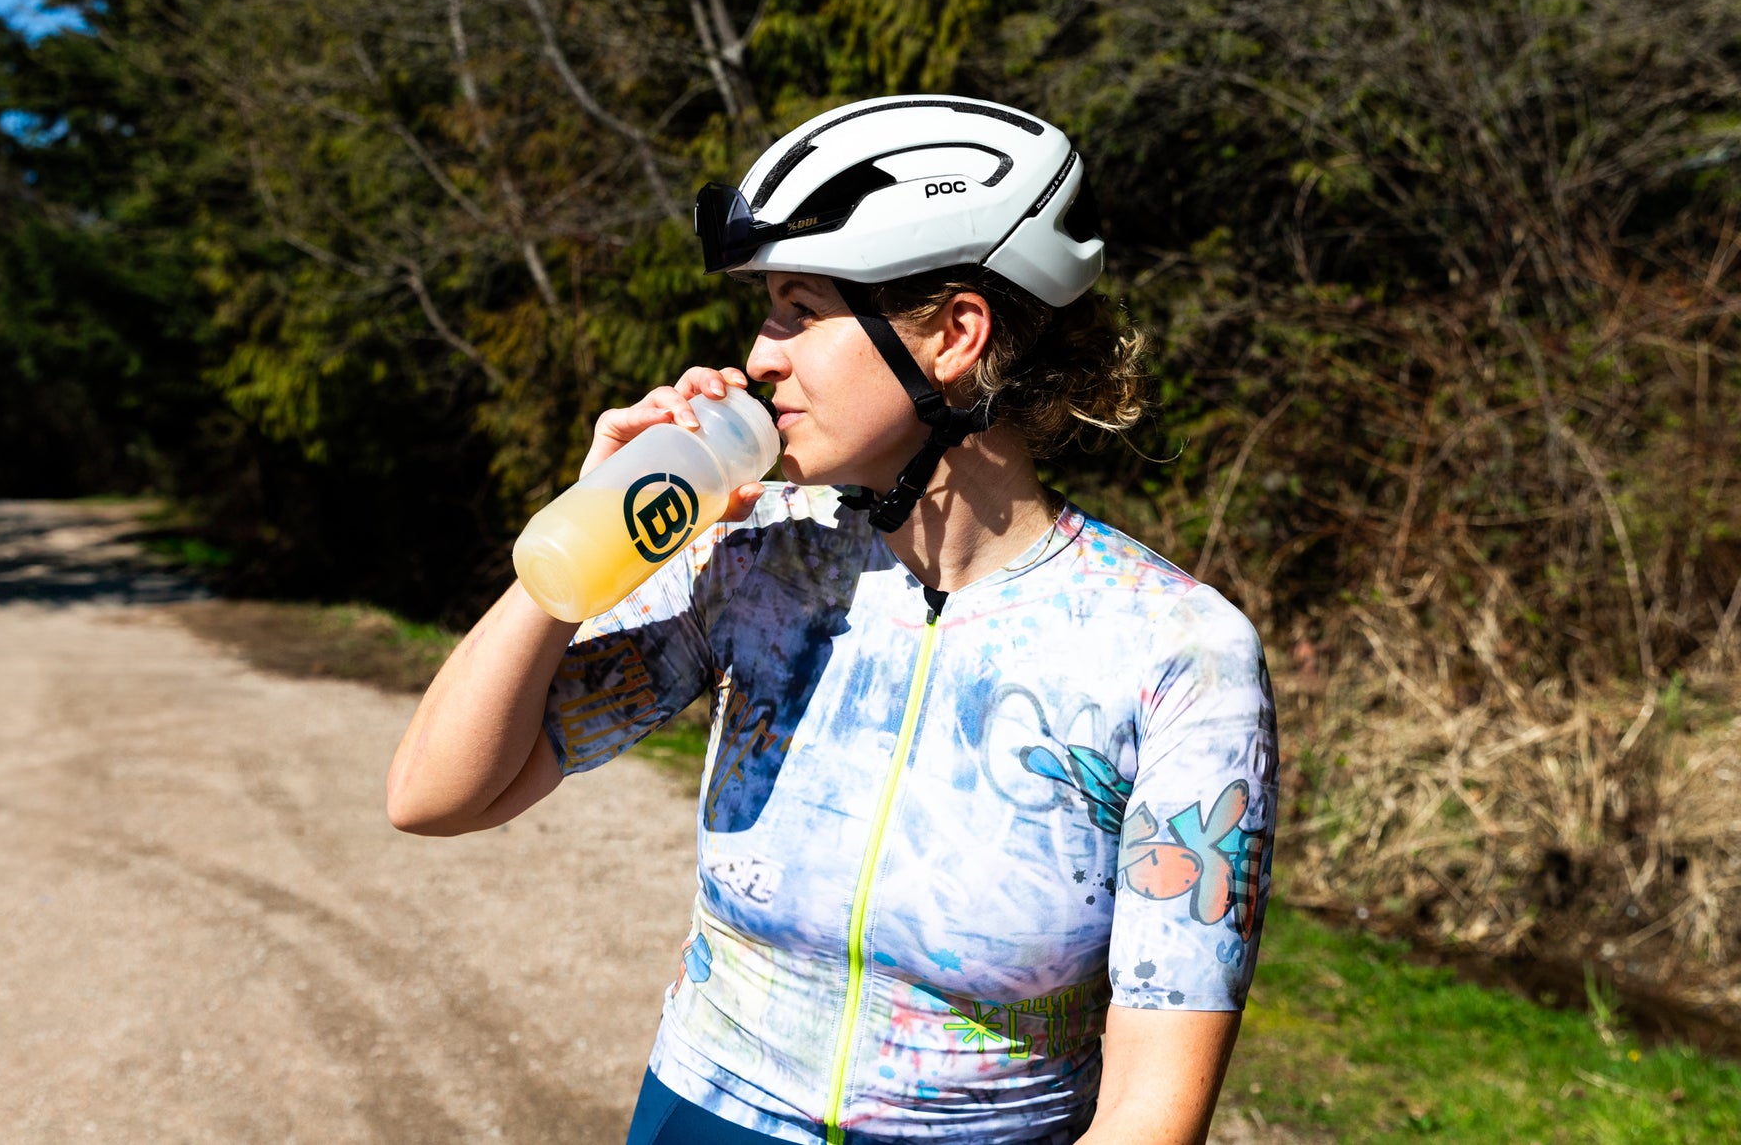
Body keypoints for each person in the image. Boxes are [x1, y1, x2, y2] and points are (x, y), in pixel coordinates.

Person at [387, 95, 1277, 1145]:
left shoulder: (1172, 653)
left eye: (797, 311)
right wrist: (579, 543)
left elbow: (1147, 1112)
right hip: (703, 1116)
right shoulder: (753, 557)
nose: (759, 356)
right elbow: (436, 795)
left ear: (953, 335)